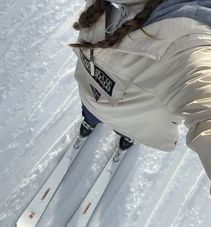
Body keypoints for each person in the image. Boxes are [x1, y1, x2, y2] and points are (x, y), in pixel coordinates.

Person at [70, 0, 211, 188]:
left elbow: (204, 100)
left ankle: (123, 133)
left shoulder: (190, 43)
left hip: (133, 120)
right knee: (91, 112)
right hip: (91, 95)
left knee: (123, 125)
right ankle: (94, 121)